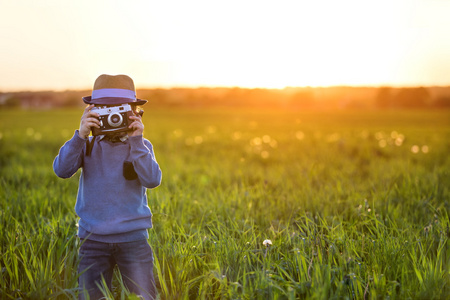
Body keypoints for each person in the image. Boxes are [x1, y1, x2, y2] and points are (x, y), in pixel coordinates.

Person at [53, 74, 162, 300]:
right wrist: (81, 135)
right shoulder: (87, 144)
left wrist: (136, 140)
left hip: (133, 239)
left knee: (143, 296)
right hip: (92, 239)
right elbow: (62, 170)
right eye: (106, 110)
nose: (113, 117)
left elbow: (152, 180)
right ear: (93, 111)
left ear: (134, 111)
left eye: (119, 110)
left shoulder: (141, 145)